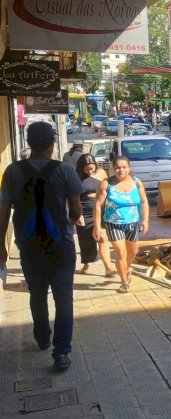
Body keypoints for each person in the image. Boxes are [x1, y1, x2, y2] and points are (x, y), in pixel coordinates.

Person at [0, 121, 84, 371]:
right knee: (64, 298)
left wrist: (1, 246)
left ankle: (42, 335)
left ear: (29, 142)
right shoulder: (66, 171)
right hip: (60, 246)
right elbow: (77, 209)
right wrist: (67, 226)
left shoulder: (12, 171)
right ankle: (61, 353)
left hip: (29, 246)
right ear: (51, 144)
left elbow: (3, 212)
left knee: (37, 294)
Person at [93, 156, 149, 293]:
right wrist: (96, 227)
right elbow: (98, 205)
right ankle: (124, 282)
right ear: (113, 168)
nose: (121, 170)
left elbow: (143, 202)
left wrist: (145, 220)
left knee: (133, 251)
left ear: (129, 168)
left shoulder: (137, 182)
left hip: (133, 223)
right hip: (114, 223)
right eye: (117, 167)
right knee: (120, 253)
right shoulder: (106, 184)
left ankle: (126, 268)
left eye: (124, 167)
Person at [74, 154, 116, 277]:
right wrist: (77, 214)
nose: (90, 171)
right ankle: (86, 265)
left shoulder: (102, 173)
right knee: (86, 242)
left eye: (92, 168)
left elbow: (108, 190)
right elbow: (73, 197)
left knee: (102, 238)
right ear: (81, 167)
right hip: (84, 213)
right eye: (87, 169)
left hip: (99, 212)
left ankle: (108, 268)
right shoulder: (76, 178)